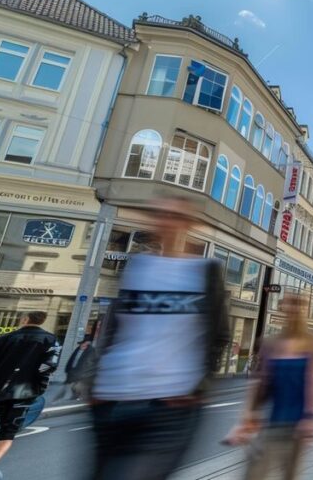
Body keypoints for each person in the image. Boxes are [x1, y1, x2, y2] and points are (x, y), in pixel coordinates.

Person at [87, 196, 229, 480]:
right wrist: (94, 381)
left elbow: (219, 334)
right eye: (161, 215)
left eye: (175, 216)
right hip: (112, 395)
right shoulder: (137, 266)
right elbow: (114, 327)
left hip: (169, 400)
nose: (167, 222)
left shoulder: (204, 270)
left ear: (190, 224)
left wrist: (199, 385)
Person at [226, 295, 313, 480]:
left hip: (298, 424)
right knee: (254, 474)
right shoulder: (270, 344)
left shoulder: (310, 345)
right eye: (287, 309)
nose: (291, 313)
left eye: (296, 309)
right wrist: (247, 416)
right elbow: (260, 383)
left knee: (289, 475)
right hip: (272, 422)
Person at [0, 311, 61, 464]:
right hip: (24, 392)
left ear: (25, 319)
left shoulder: (6, 338)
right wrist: (39, 386)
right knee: (8, 432)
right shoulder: (51, 340)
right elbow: (48, 366)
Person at [63, 334, 95, 400]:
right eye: (82, 343)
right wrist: (67, 368)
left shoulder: (91, 351)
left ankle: (77, 397)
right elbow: (72, 358)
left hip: (82, 373)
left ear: (88, 343)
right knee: (72, 385)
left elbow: (90, 363)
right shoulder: (78, 349)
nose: (82, 345)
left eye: (84, 343)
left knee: (77, 386)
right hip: (73, 370)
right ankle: (76, 396)